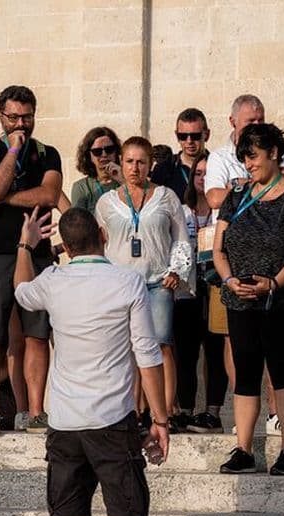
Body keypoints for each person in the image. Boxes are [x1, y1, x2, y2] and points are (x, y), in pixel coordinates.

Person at [14, 206, 169, 516]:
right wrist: (160, 420)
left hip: (65, 422)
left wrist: (25, 246)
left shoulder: (52, 280)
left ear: (67, 247)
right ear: (102, 235)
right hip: (113, 419)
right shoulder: (129, 282)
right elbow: (147, 355)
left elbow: (21, 290)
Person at [214, 123, 284, 475]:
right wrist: (229, 280)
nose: (249, 164)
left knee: (282, 368)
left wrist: (273, 283)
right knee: (245, 371)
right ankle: (243, 448)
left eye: (254, 156)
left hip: (282, 299)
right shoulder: (236, 196)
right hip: (240, 298)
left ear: (274, 153)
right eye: (244, 158)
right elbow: (218, 248)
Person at [0, 85, 63, 435]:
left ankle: (36, 411)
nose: (21, 124)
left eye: (27, 117)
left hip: (37, 253)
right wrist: (12, 151)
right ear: (1, 117)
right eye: (13, 118)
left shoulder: (48, 154)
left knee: (37, 333)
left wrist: (2, 197)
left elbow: (49, 194)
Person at [205, 94, 284, 436]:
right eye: (250, 121)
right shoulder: (219, 156)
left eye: (261, 119)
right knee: (235, 342)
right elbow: (215, 197)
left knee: (277, 351)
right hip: (232, 268)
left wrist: (246, 186)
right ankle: (243, 424)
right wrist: (245, 187)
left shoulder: (279, 151)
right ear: (233, 122)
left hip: (275, 274)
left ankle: (276, 415)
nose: (257, 125)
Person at [94, 136, 191, 429]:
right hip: (121, 284)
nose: (135, 168)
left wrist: (177, 270)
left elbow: (180, 237)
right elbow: (101, 244)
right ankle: (134, 410)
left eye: (141, 162)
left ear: (150, 165)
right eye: (129, 161)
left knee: (162, 343)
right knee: (128, 347)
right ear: (120, 163)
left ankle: (166, 411)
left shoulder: (166, 197)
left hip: (157, 280)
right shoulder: (106, 202)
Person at [172, 153, 228, 433]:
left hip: (216, 286)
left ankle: (213, 412)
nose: (203, 179)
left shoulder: (224, 212)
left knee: (215, 352)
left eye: (208, 173)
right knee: (186, 352)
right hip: (187, 289)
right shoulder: (181, 211)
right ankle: (185, 410)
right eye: (198, 173)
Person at [151, 107, 211, 202]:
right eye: (183, 136)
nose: (189, 141)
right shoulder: (163, 169)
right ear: (177, 136)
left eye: (195, 136)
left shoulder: (219, 166)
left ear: (207, 135)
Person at [70, 126, 123, 214]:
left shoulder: (127, 181)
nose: (104, 154)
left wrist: (123, 180)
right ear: (89, 156)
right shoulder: (82, 187)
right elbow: (78, 220)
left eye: (109, 149)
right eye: (97, 151)